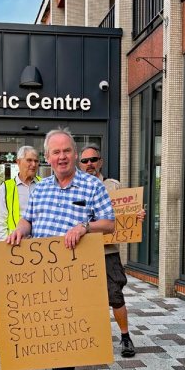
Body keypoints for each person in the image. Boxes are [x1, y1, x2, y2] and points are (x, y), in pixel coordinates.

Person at [6, 129, 115, 370]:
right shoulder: (40, 189)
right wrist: (20, 229)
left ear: (75, 153)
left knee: (65, 331)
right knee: (53, 331)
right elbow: (28, 219)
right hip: (43, 275)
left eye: (66, 150)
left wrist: (84, 226)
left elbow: (108, 223)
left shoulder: (92, 186)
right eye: (55, 152)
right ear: (48, 157)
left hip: (77, 274)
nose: (62, 156)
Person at [78, 143, 144, 358]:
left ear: (100, 161)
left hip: (108, 252)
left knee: (115, 295)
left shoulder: (113, 187)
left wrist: (138, 215)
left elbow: (129, 212)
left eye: (93, 160)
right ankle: (86, 339)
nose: (90, 164)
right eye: (85, 161)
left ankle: (125, 337)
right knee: (83, 297)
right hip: (81, 251)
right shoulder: (73, 187)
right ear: (80, 164)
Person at [0, 146, 41, 241]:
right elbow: (0, 220)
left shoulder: (43, 185)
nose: (33, 164)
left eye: (36, 161)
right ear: (18, 162)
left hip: (39, 242)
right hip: (15, 244)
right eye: (29, 160)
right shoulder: (6, 187)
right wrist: (3, 244)